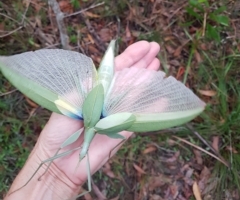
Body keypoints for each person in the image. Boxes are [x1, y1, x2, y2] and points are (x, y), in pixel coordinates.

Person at [5, 41, 160, 200]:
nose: (82, 153)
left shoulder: (77, 114)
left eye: (81, 153)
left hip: (103, 90)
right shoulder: (95, 122)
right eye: (82, 153)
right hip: (107, 94)